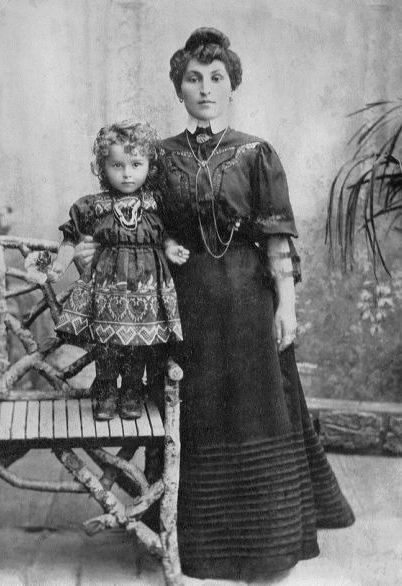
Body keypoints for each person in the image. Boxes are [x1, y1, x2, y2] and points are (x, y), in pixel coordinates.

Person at [73, 28, 355, 582]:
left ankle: (268, 550)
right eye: (194, 79)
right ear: (179, 88)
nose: (206, 88)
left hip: (250, 300)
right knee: (193, 413)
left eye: (216, 78)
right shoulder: (157, 157)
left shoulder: (256, 152)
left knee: (254, 411)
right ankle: (186, 542)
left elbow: (277, 240)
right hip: (183, 303)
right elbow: (132, 218)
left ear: (232, 86)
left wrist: (287, 307)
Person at [50, 120, 183, 421]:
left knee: (137, 346)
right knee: (108, 346)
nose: (127, 173)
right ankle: (107, 392)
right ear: (103, 166)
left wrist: (172, 248)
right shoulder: (94, 206)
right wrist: (61, 261)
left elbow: (166, 235)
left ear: (149, 165)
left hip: (144, 292)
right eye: (117, 165)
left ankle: (133, 391)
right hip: (107, 292)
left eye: (136, 164)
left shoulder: (156, 204)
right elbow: (70, 236)